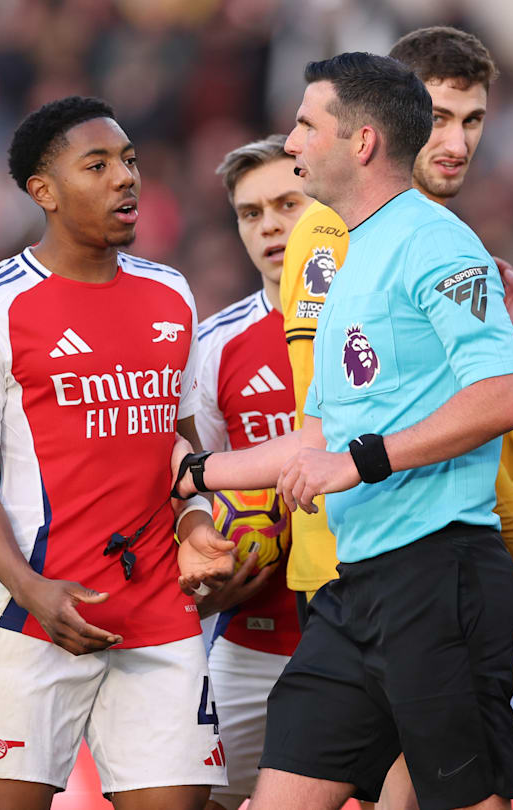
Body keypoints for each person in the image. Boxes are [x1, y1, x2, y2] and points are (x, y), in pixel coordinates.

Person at [173, 52, 513, 810]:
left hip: (439, 576)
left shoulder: (438, 242)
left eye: (306, 124)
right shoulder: (343, 257)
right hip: (353, 588)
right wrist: (195, 473)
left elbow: (503, 397)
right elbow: (320, 437)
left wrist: (361, 462)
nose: (292, 141)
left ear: (360, 142)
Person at [0, 95, 235, 810]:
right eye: (96, 165)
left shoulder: (171, 294)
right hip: (35, 611)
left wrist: (195, 528)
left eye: (129, 161)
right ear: (44, 192)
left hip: (159, 611)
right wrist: (31, 589)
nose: (125, 178)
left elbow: (180, 445)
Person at [279, 28, 513, 630]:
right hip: (362, 555)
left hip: (428, 548)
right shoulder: (332, 234)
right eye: (436, 115)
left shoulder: (438, 239)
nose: (454, 142)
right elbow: (344, 415)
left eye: (473, 120)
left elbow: (492, 422)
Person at [189, 134, 311, 810]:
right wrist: (205, 571)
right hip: (251, 636)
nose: (268, 225)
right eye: (249, 212)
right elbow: (193, 490)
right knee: (198, 797)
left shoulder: (376, 324)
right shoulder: (215, 347)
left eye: (287, 204)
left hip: (369, 628)